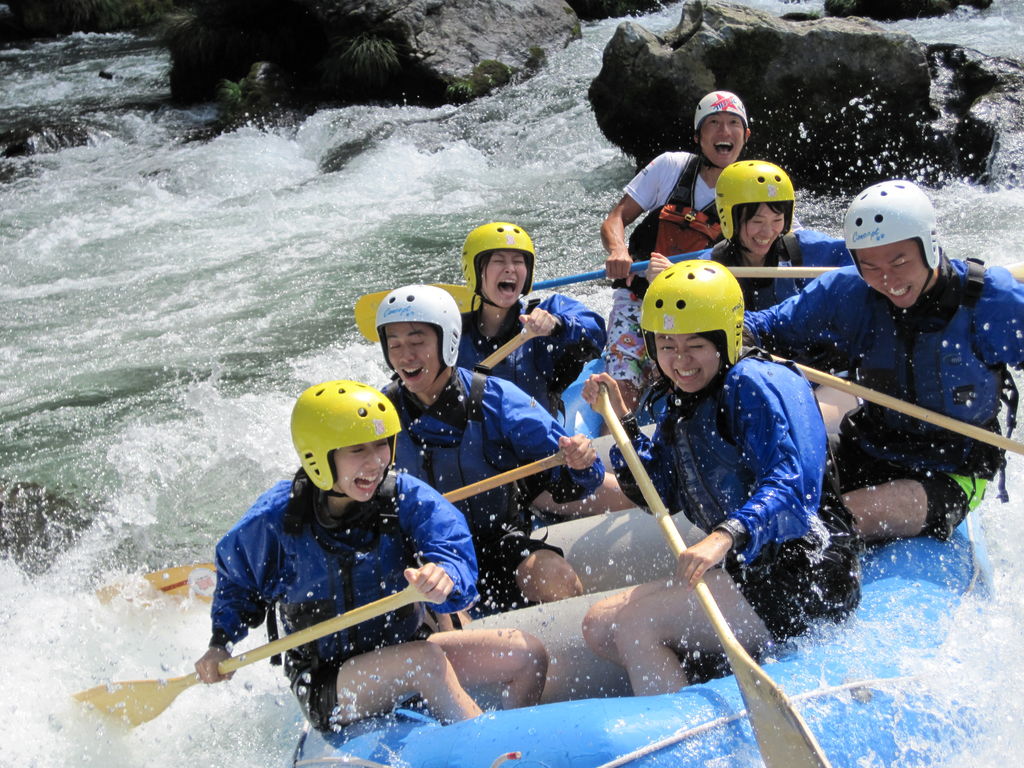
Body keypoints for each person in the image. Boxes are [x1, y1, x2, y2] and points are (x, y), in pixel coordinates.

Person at [195, 380, 548, 731]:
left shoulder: (402, 496)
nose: (376, 461)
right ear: (319, 455)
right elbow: (238, 582)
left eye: (382, 444)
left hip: (406, 647)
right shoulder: (276, 520)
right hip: (328, 682)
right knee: (423, 663)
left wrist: (446, 574)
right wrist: (220, 643)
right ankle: (493, 751)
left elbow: (448, 538)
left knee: (527, 653)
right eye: (357, 450)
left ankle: (513, 735)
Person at [579, 260, 861, 695]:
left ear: (725, 341)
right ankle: (704, 687)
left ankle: (680, 740)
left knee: (637, 623)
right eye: (667, 345)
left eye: (694, 346)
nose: (679, 360)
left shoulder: (755, 383)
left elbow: (792, 485)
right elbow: (660, 493)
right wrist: (625, 424)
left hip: (804, 573)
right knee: (600, 624)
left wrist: (725, 534)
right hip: (749, 567)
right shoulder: (684, 397)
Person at [745, 179, 1024, 543]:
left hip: (952, 469)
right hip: (868, 447)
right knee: (762, 469)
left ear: (930, 245)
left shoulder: (992, 302)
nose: (887, 279)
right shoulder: (848, 294)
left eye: (899, 261)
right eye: (870, 266)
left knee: (829, 524)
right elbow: (763, 326)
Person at [375, 284, 618, 613]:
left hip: (500, 541)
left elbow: (574, 476)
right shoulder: (379, 415)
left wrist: (581, 462)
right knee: (428, 604)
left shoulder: (496, 398)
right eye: (395, 344)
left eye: (417, 342)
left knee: (556, 578)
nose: (406, 355)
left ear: (448, 342)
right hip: (429, 557)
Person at [600, 90, 750, 411]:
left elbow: (765, 251)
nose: (724, 132)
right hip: (639, 297)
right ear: (698, 136)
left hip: (701, 313)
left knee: (674, 384)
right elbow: (615, 220)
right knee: (622, 382)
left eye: (733, 124)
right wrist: (617, 252)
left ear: (745, 134)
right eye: (714, 123)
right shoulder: (669, 167)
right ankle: (620, 447)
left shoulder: (752, 190)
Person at [458, 221, 606, 418]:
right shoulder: (453, 332)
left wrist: (558, 326)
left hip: (538, 442)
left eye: (518, 261)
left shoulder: (544, 315)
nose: (510, 268)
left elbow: (595, 332)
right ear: (475, 271)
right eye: (499, 260)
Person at [703, 160, 853, 311]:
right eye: (757, 221)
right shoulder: (706, 269)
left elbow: (864, 259)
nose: (768, 232)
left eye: (777, 220)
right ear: (730, 219)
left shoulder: (806, 249)